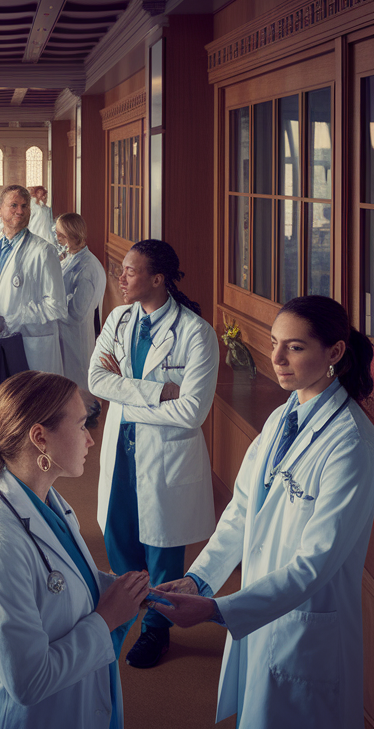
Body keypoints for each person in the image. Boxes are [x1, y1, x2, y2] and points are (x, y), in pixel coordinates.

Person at [153, 296, 374, 727]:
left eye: (294, 347)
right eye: (274, 343)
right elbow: (241, 512)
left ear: (334, 352)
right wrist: (200, 580)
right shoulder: (281, 418)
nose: (276, 358)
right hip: (266, 611)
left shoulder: (351, 444)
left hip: (306, 628)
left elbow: (315, 565)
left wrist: (219, 610)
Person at [0, 371, 151, 728]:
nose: (90, 440)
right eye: (81, 426)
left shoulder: (49, 503)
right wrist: (107, 618)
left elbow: (65, 579)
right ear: (40, 438)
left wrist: (135, 593)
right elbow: (28, 681)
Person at [88, 238, 217, 669]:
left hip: (165, 456)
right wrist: (160, 391)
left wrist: (128, 397)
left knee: (161, 547)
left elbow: (193, 412)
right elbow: (95, 380)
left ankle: (156, 631)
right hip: (121, 449)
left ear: (157, 279)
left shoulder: (196, 334)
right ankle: (133, 609)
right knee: (119, 538)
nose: (120, 277)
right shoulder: (119, 319)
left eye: (129, 270)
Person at [0, 185, 68, 376]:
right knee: (3, 398)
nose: (20, 211)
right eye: (13, 205)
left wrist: (9, 321)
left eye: (25, 206)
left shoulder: (44, 251)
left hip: (31, 343)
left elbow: (57, 306)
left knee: (33, 401)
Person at [55, 213, 107, 410]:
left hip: (75, 335)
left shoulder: (87, 268)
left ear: (73, 235)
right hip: (67, 334)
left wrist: (55, 301)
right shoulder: (73, 257)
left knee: (78, 379)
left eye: (61, 234)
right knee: (69, 383)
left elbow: (77, 312)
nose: (58, 238)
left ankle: (87, 414)